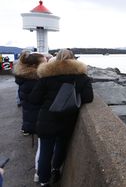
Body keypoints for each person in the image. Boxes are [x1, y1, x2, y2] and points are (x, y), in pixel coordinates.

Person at [29, 49, 93, 186]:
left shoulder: (46, 76)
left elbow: (34, 99)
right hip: (68, 120)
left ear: (56, 59)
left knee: (45, 152)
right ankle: (56, 170)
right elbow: (88, 98)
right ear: (74, 59)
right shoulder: (82, 77)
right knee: (61, 147)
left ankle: (44, 182)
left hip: (47, 119)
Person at [13, 51, 47, 135]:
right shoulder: (34, 79)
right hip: (34, 104)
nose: (47, 65)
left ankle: (26, 129)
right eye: (44, 63)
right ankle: (30, 129)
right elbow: (37, 96)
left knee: (28, 115)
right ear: (34, 65)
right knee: (32, 116)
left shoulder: (25, 76)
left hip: (27, 103)